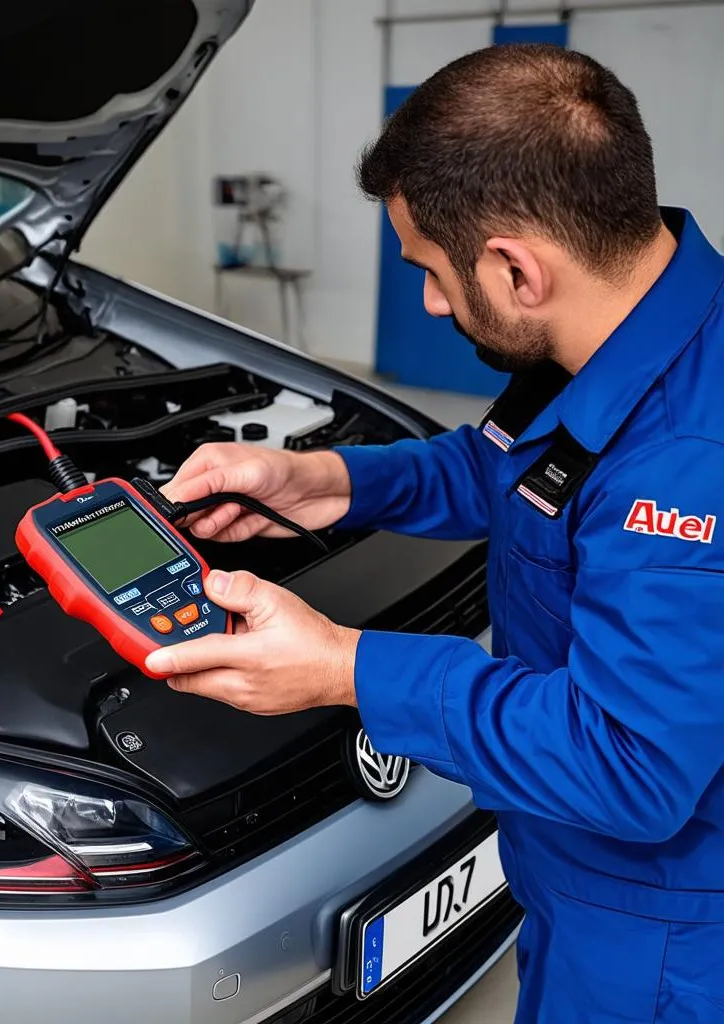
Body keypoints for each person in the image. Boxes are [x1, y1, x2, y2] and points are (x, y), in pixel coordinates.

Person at [145, 44, 724, 1024]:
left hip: (660, 937)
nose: (426, 299)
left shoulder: (684, 462)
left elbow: (629, 763)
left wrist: (346, 667)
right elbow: (509, 468)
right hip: (576, 875)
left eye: (425, 268)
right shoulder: (623, 324)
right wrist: (323, 478)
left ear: (512, 267)